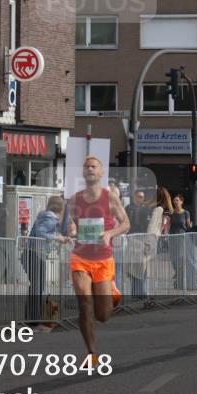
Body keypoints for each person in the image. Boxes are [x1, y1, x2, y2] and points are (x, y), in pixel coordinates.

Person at [66, 155, 130, 366]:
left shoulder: (110, 197)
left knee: (103, 315)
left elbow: (125, 224)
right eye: (86, 166)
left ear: (101, 173)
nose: (89, 169)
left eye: (94, 166)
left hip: (103, 259)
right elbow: (74, 224)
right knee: (84, 302)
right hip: (81, 257)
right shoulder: (74, 199)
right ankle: (92, 354)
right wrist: (73, 230)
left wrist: (110, 234)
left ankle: (111, 289)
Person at [23, 195, 67, 331]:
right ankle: (34, 321)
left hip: (32, 253)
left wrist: (61, 237)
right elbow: (41, 233)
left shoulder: (44, 216)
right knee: (37, 287)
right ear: (60, 208)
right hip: (36, 254)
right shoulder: (51, 218)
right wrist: (56, 237)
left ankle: (31, 319)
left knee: (35, 287)